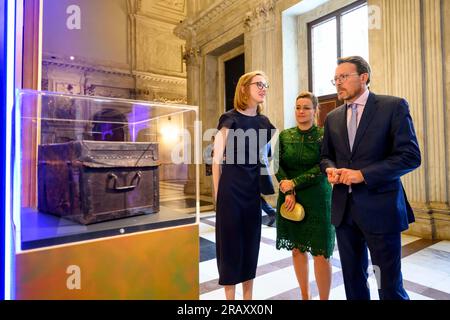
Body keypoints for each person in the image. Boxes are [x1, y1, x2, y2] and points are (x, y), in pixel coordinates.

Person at [320, 56, 421, 300]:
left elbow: (410, 156)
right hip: (344, 213)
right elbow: (325, 156)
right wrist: (330, 170)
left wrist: (363, 175)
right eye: (335, 79)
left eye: (343, 77)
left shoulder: (392, 106)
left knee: (388, 284)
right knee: (353, 281)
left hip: (381, 210)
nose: (338, 84)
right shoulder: (332, 117)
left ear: (363, 77)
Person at [212, 70, 275, 300]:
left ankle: (248, 300)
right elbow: (217, 161)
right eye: (258, 84)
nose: (263, 88)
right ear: (243, 88)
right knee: (230, 246)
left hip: (251, 190)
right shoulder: (230, 118)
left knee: (250, 245)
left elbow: (264, 155)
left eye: (266, 85)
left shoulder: (264, 122)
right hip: (230, 190)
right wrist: (219, 197)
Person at [275, 91, 335, 300]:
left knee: (320, 253)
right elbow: (277, 165)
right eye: (298, 107)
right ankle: (305, 296)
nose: (301, 111)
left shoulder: (324, 135)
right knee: (297, 249)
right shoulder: (285, 135)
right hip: (290, 199)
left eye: (306, 107)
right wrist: (289, 189)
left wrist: (295, 183)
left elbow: (323, 166)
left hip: (318, 197)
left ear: (315, 110)